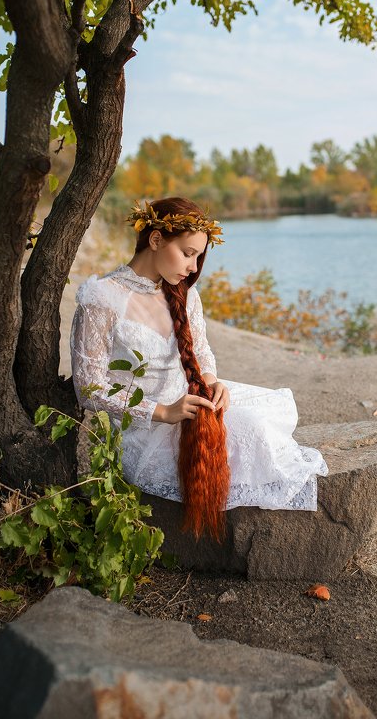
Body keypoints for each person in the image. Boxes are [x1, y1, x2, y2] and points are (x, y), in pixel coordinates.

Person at [70, 197, 328, 542]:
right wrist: (161, 411)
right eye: (188, 253)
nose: (193, 267)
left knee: (264, 421)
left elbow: (201, 351)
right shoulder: (101, 298)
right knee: (257, 433)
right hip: (146, 430)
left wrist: (210, 380)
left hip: (190, 401)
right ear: (156, 239)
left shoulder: (184, 294)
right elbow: (88, 388)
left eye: (198, 256)